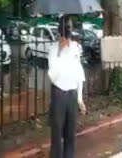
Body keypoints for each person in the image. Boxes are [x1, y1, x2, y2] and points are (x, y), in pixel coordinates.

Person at [48, 15, 87, 158]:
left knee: (70, 134)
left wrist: (80, 99)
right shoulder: (53, 49)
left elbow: (79, 74)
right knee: (57, 133)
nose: (68, 29)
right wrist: (60, 51)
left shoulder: (76, 47)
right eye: (65, 26)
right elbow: (53, 76)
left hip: (71, 95)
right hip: (58, 95)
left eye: (70, 26)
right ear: (60, 29)